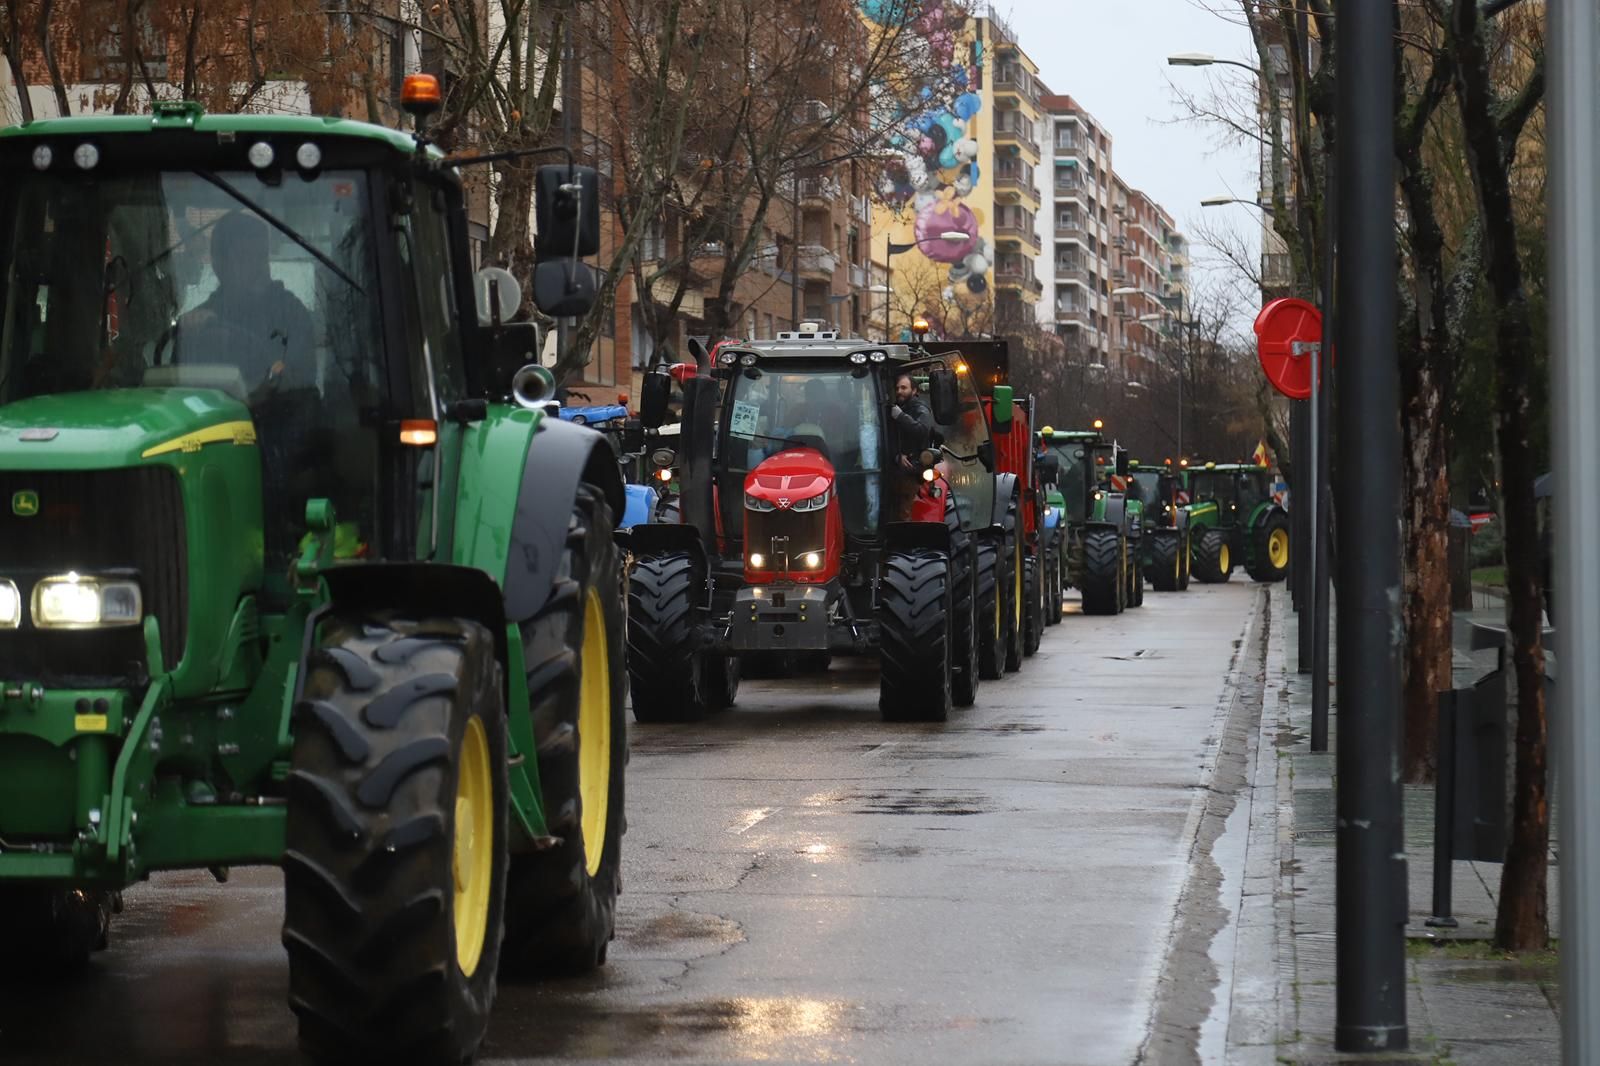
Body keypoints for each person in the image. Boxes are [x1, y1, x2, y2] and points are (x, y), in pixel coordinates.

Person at [176, 211, 316, 402]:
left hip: (282, 424)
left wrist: (266, 385)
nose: (258, 266)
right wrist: (189, 336)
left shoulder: (291, 313)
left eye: (261, 256)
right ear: (219, 265)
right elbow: (177, 395)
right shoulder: (198, 325)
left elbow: (302, 381)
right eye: (245, 257)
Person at [890, 372, 935, 468]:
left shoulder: (920, 409)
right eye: (897, 388)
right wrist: (897, 455)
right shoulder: (894, 409)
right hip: (895, 466)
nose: (899, 391)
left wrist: (901, 416)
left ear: (914, 390)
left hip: (915, 465)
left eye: (903, 388)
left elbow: (922, 431)